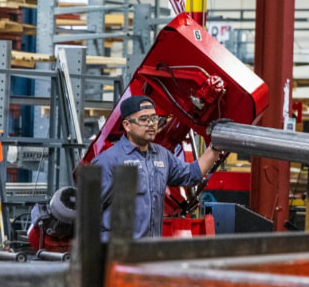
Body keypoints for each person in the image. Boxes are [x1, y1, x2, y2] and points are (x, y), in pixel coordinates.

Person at [91, 95, 222, 239]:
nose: (151, 124)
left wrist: (215, 145)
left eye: (154, 118)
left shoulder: (161, 155)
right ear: (127, 125)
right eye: (143, 119)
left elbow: (191, 174)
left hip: (150, 252)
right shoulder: (109, 161)